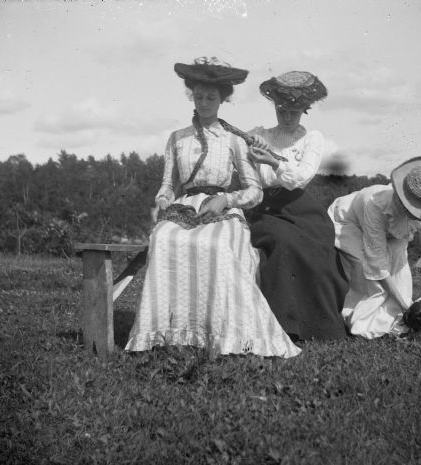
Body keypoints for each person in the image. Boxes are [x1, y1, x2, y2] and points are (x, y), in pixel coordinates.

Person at [125, 58, 301, 358]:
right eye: (199, 96)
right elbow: (168, 185)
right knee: (164, 239)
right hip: (185, 207)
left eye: (212, 97)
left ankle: (221, 333)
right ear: (191, 96)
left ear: (223, 100)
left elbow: (254, 190)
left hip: (224, 206)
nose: (204, 103)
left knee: (216, 245)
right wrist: (165, 201)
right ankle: (168, 333)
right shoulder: (177, 139)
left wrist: (227, 199)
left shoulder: (233, 139)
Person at [246, 71, 348, 341]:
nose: (287, 116)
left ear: (305, 109)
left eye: (293, 111)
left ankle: (316, 324)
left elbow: (301, 176)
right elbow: (235, 148)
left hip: (301, 207)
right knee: (283, 241)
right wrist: (250, 146)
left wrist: (274, 162)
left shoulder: (312, 138)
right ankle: (285, 326)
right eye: (281, 110)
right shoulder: (260, 134)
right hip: (266, 207)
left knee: (316, 248)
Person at [327, 156, 421, 339]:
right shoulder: (376, 205)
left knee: (400, 271)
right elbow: (377, 264)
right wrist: (407, 310)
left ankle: (394, 320)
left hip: (389, 232)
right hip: (350, 222)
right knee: (366, 270)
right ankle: (362, 322)